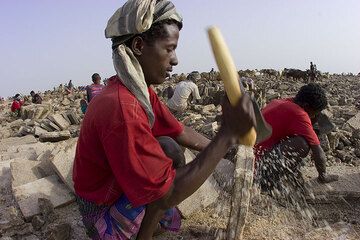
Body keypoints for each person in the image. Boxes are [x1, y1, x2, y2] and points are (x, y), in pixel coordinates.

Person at [72, 1, 256, 239]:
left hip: (117, 188)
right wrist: (226, 135)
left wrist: (231, 150)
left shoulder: (138, 91)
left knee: (168, 146)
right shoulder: (121, 106)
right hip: (101, 212)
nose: (175, 60)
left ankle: (146, 226)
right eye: (169, 49)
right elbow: (166, 193)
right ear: (138, 45)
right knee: (161, 187)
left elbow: (179, 131)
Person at [254, 83, 338, 194]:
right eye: (314, 113)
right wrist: (323, 175)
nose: (313, 117)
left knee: (296, 137)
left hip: (252, 156)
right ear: (307, 106)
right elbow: (318, 152)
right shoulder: (299, 114)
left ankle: (279, 175)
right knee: (302, 144)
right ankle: (267, 183)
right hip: (258, 168)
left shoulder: (280, 102)